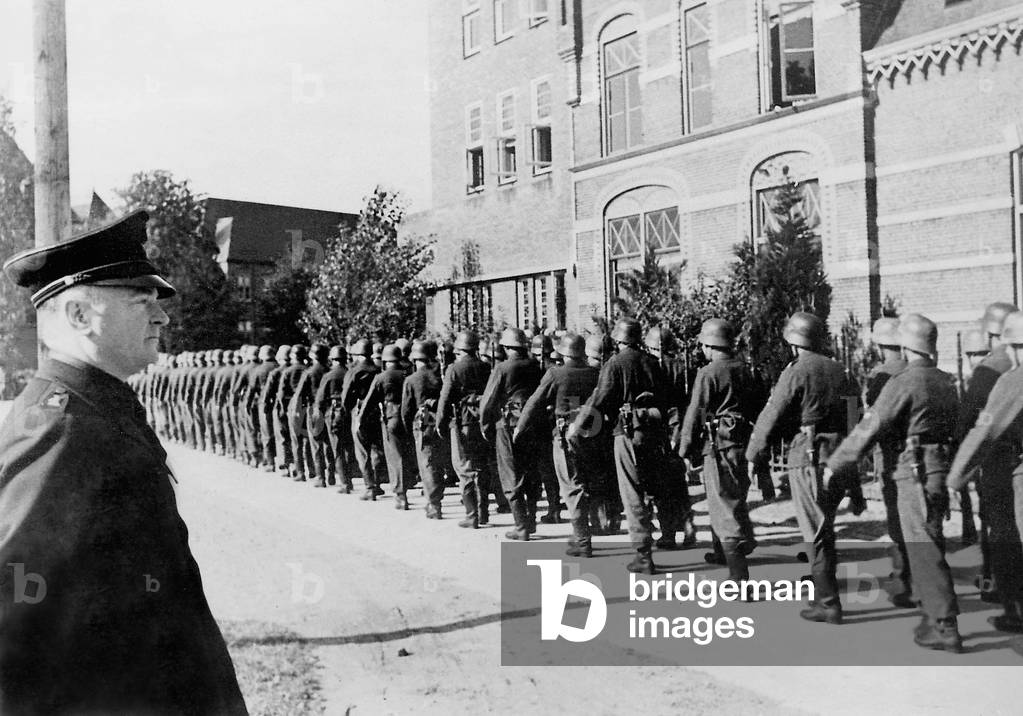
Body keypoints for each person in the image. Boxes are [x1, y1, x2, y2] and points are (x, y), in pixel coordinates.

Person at [0, 210, 246, 713]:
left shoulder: (97, 408)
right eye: (142, 301)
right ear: (79, 317)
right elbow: (14, 627)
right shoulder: (61, 428)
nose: (163, 317)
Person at [827, 314, 962, 651]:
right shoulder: (946, 381)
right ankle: (935, 612)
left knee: (923, 547)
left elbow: (870, 426)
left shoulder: (903, 382)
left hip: (912, 470)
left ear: (905, 345)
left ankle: (944, 625)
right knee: (932, 542)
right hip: (938, 468)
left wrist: (838, 462)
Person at [746, 311, 857, 624]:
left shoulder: (796, 370)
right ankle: (821, 586)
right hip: (838, 456)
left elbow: (773, 412)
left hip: (808, 459)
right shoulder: (841, 370)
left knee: (815, 532)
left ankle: (828, 602)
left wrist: (755, 453)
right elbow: (853, 418)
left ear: (794, 343)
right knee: (826, 526)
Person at [570, 318, 674, 574]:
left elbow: (600, 399)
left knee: (632, 494)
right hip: (654, 433)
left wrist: (579, 428)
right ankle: (665, 534)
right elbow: (667, 398)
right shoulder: (652, 362)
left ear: (618, 339)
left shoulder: (615, 364)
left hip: (626, 434)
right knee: (654, 487)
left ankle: (643, 555)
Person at [949, 309, 1023, 633]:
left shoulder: (1000, 373)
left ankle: (1009, 605)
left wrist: (956, 475)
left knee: (1002, 534)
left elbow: (977, 427)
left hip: (1004, 463)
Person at [677, 319, 761, 581]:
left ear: (711, 345)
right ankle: (722, 550)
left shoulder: (708, 373)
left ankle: (739, 578)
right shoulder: (746, 370)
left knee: (723, 503)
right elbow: (757, 407)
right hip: (743, 442)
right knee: (732, 498)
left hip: (719, 445)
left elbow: (696, 413)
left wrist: (685, 449)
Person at [517, 334, 601, 556]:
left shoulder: (555, 373)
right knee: (587, 482)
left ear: (563, 353)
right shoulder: (595, 373)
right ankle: (584, 532)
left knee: (571, 485)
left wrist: (520, 427)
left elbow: (534, 402)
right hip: (593, 433)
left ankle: (583, 540)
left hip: (565, 435)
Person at [863, 317, 914, 607]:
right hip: (920, 455)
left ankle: (903, 581)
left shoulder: (879, 375)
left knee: (897, 522)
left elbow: (869, 416)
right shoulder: (916, 369)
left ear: (880, 345)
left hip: (891, 457)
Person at [482, 328, 544, 539]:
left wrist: (485, 425)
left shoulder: (502, 368)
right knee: (531, 472)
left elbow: (488, 400)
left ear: (507, 347)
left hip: (507, 424)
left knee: (511, 474)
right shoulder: (536, 366)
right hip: (533, 423)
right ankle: (532, 520)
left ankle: (521, 526)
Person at [437, 330, 492, 528]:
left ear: (459, 349)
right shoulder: (485, 367)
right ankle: (484, 511)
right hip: (482, 421)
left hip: (461, 422)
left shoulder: (454, 369)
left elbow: (445, 399)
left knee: (463, 467)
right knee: (482, 466)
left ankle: (472, 515)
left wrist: (440, 423)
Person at [402, 340, 447, 518]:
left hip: (422, 423)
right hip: (439, 421)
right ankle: (436, 498)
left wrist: (408, 430)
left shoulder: (411, 380)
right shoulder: (439, 377)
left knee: (427, 463)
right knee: (438, 462)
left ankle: (434, 504)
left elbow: (406, 410)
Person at [367, 344, 414, 509]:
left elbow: (369, 401)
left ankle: (401, 495)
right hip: (408, 418)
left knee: (395, 457)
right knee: (407, 454)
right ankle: (408, 487)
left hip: (390, 417)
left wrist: (361, 419)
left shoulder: (381, 377)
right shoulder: (408, 374)